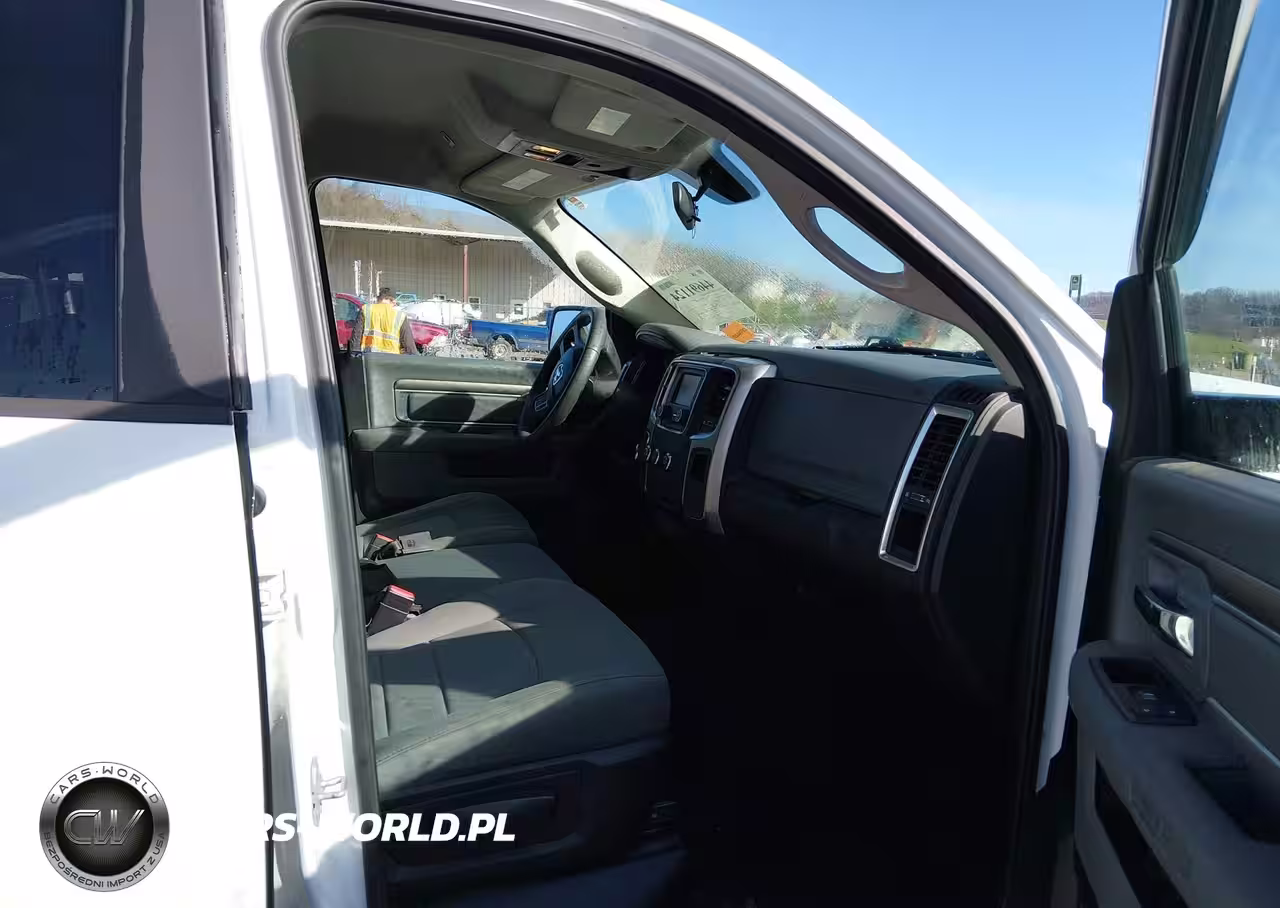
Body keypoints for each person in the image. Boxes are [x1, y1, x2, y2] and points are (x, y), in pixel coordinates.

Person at [348, 287, 418, 354]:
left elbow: (355, 340)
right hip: (391, 360)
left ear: (378, 299)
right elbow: (410, 348)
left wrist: (355, 358)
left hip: (369, 359)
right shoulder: (400, 316)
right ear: (393, 301)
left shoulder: (366, 310)